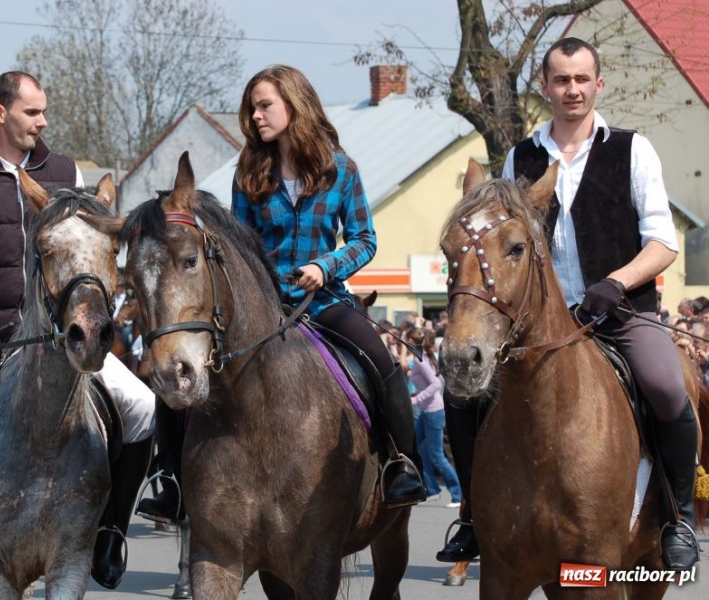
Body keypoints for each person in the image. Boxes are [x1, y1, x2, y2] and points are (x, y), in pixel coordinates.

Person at [438, 37, 699, 571]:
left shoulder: (631, 148)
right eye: (561, 79)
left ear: (597, 84)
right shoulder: (522, 156)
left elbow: (663, 242)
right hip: (540, 323)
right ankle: (471, 516)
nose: (572, 89)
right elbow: (508, 242)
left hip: (620, 313)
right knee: (463, 396)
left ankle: (678, 516)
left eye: (582, 79)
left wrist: (618, 283)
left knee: (669, 387)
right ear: (546, 87)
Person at [0, 71, 155, 595]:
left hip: (56, 342)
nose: (42, 122)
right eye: (32, 112)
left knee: (141, 406)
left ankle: (110, 528)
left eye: (44, 112)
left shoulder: (66, 173)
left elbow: (88, 251)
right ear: (0, 113)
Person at [231, 64, 425, 507]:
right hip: (262, 306)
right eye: (252, 108)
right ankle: (174, 478)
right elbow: (238, 243)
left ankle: (403, 463)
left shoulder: (340, 168)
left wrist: (326, 266)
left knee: (379, 358)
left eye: (264, 106)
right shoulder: (248, 171)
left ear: (294, 104)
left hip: (324, 303)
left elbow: (364, 239)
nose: (255, 116)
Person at [407, 327, 461, 508]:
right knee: (419, 449)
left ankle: (458, 495)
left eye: (405, 341)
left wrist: (416, 398)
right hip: (427, 411)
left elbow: (436, 383)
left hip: (433, 412)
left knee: (437, 456)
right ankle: (432, 490)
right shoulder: (424, 358)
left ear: (411, 342)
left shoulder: (422, 360)